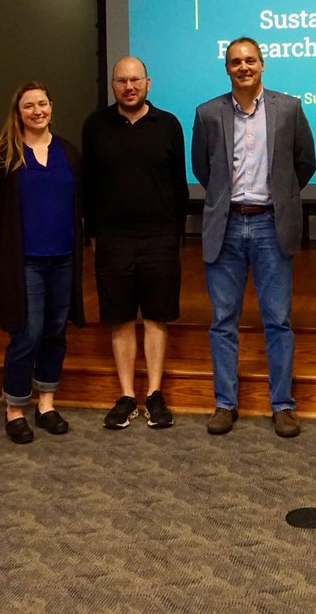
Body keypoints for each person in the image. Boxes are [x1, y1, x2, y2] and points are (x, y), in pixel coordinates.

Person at [191, 37, 315, 437]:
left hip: (269, 224)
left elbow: (304, 163)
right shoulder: (208, 113)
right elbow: (203, 170)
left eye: (250, 60)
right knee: (222, 320)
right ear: (226, 68)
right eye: (235, 62)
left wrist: (277, 195)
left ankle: (282, 405)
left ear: (263, 64)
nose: (243, 67)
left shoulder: (289, 108)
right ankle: (225, 404)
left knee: (277, 320)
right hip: (225, 225)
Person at [82, 57, 187, 430]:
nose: (129, 87)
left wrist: (175, 235)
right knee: (120, 318)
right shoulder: (95, 126)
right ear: (113, 85)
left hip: (159, 236)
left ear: (148, 83)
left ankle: (155, 394)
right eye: (122, 81)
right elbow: (88, 187)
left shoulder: (169, 125)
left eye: (136, 80)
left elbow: (178, 185)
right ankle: (127, 395)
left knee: (157, 317)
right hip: (112, 239)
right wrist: (93, 235)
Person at [0, 82, 84, 444]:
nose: (37, 111)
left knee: (54, 331)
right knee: (26, 333)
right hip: (24, 261)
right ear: (18, 112)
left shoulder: (69, 153)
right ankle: (15, 408)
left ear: (51, 107)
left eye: (42, 103)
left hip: (63, 259)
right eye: (28, 106)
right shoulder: (3, 157)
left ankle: (46, 403)